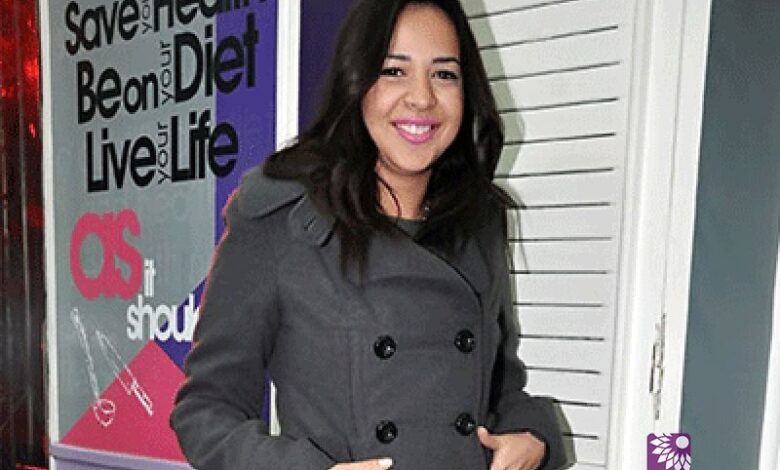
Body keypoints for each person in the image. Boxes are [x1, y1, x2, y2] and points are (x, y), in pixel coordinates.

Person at [170, 1, 566, 469]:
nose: (421, 98)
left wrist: (533, 435)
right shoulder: (282, 222)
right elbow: (205, 411)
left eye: (444, 74)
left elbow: (499, 385)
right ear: (356, 80)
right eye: (394, 71)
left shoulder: (479, 222)